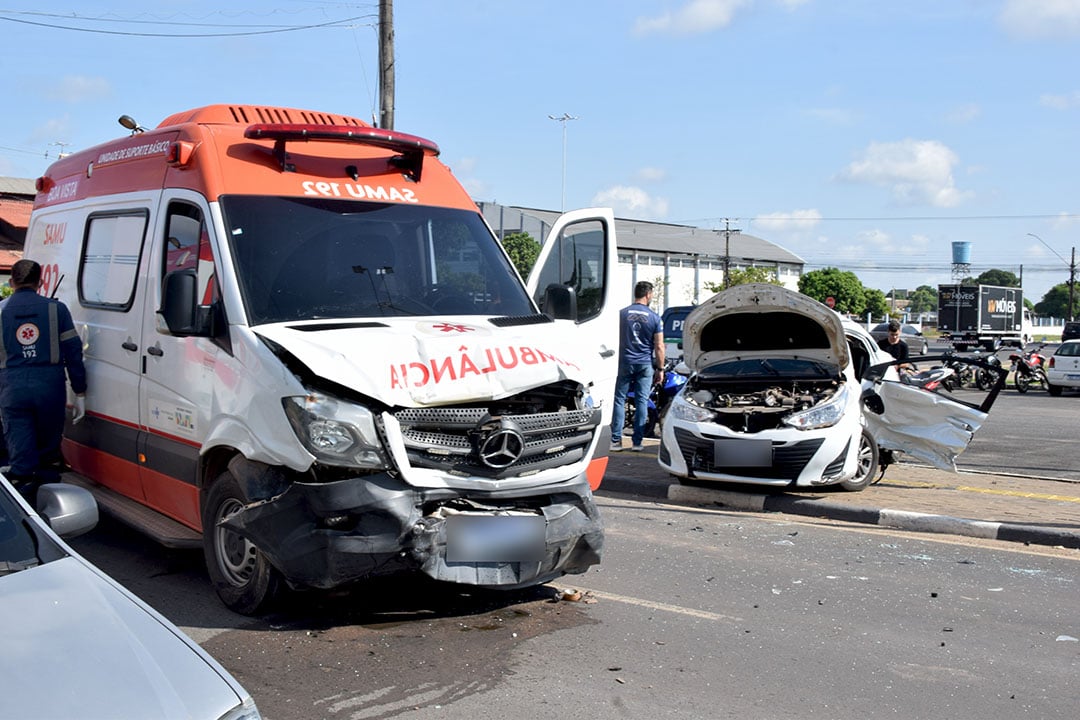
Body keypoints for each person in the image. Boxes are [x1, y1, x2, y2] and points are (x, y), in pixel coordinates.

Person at [0, 259, 86, 495]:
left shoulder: (1, 310)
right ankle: (53, 508)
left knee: (20, 456)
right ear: (41, 281)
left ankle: (26, 513)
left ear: (11, 281)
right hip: (50, 388)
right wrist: (80, 390)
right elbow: (73, 351)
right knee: (49, 455)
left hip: (12, 389)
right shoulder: (56, 309)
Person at [611, 281, 664, 452]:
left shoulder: (621, 314)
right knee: (642, 401)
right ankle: (637, 442)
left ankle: (616, 441)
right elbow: (659, 346)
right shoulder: (654, 317)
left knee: (619, 399)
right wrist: (660, 369)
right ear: (648, 294)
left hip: (624, 362)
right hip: (644, 364)